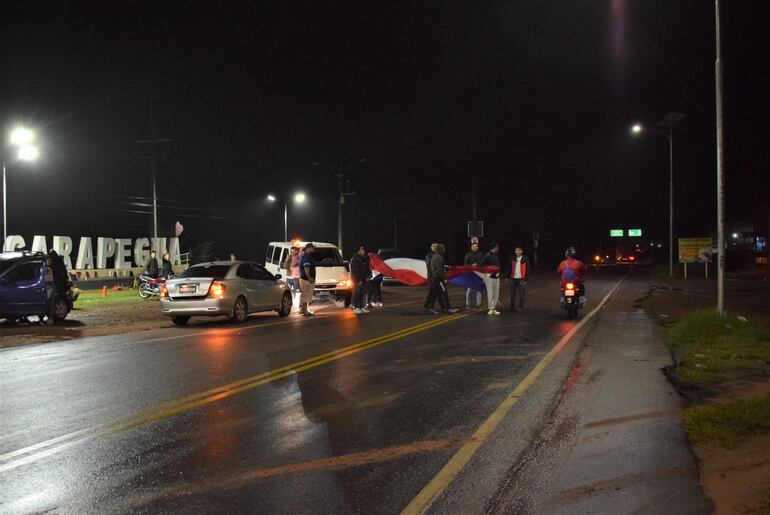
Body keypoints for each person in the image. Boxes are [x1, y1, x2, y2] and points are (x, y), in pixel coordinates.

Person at [481, 242, 501, 315]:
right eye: (497, 247)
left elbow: (498, 265)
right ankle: (490, 308)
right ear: (494, 247)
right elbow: (482, 265)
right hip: (489, 277)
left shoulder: (496, 256)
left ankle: (494, 308)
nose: (498, 248)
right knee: (490, 293)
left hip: (497, 277)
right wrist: (491, 269)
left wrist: (498, 268)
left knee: (496, 293)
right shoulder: (487, 255)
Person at [349, 245, 370, 314]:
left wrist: (366, 277)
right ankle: (356, 307)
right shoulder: (355, 259)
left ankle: (362, 307)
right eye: (361, 249)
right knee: (356, 293)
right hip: (357, 280)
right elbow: (355, 271)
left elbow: (366, 269)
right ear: (358, 251)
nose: (363, 250)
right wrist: (359, 280)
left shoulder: (363, 258)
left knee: (362, 293)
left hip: (363, 280)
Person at [463, 241, 484, 309]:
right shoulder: (468, 254)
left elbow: (483, 263)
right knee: (469, 290)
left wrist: (477, 264)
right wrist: (471, 266)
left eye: (476, 246)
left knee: (479, 290)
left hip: (479, 275)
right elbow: (465, 264)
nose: (475, 247)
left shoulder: (481, 254)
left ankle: (478, 304)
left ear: (478, 247)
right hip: (470, 275)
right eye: (473, 246)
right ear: (471, 247)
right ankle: (467, 304)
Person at [283, 244, 302, 314]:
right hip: (289, 277)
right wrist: (287, 260)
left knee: (297, 293)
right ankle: (288, 306)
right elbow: (284, 266)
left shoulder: (299, 257)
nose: (292, 252)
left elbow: (297, 264)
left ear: (296, 251)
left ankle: (296, 308)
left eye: (293, 250)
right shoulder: (289, 257)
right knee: (288, 292)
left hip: (296, 277)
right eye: (291, 250)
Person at [509, 245, 530, 311]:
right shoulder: (512, 258)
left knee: (521, 294)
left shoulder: (525, 258)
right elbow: (509, 267)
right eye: (516, 250)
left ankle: (520, 306)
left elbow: (528, 269)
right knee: (512, 294)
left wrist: (526, 278)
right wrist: (507, 276)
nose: (517, 251)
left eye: (519, 250)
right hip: (513, 279)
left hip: (521, 279)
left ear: (522, 251)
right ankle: (512, 307)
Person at [299, 242, 317, 316]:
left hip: (305, 278)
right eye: (313, 248)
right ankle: (305, 311)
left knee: (305, 295)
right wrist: (309, 277)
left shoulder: (306, 256)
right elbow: (306, 267)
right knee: (306, 295)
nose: (314, 250)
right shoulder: (307, 256)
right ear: (309, 248)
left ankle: (303, 310)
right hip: (306, 279)